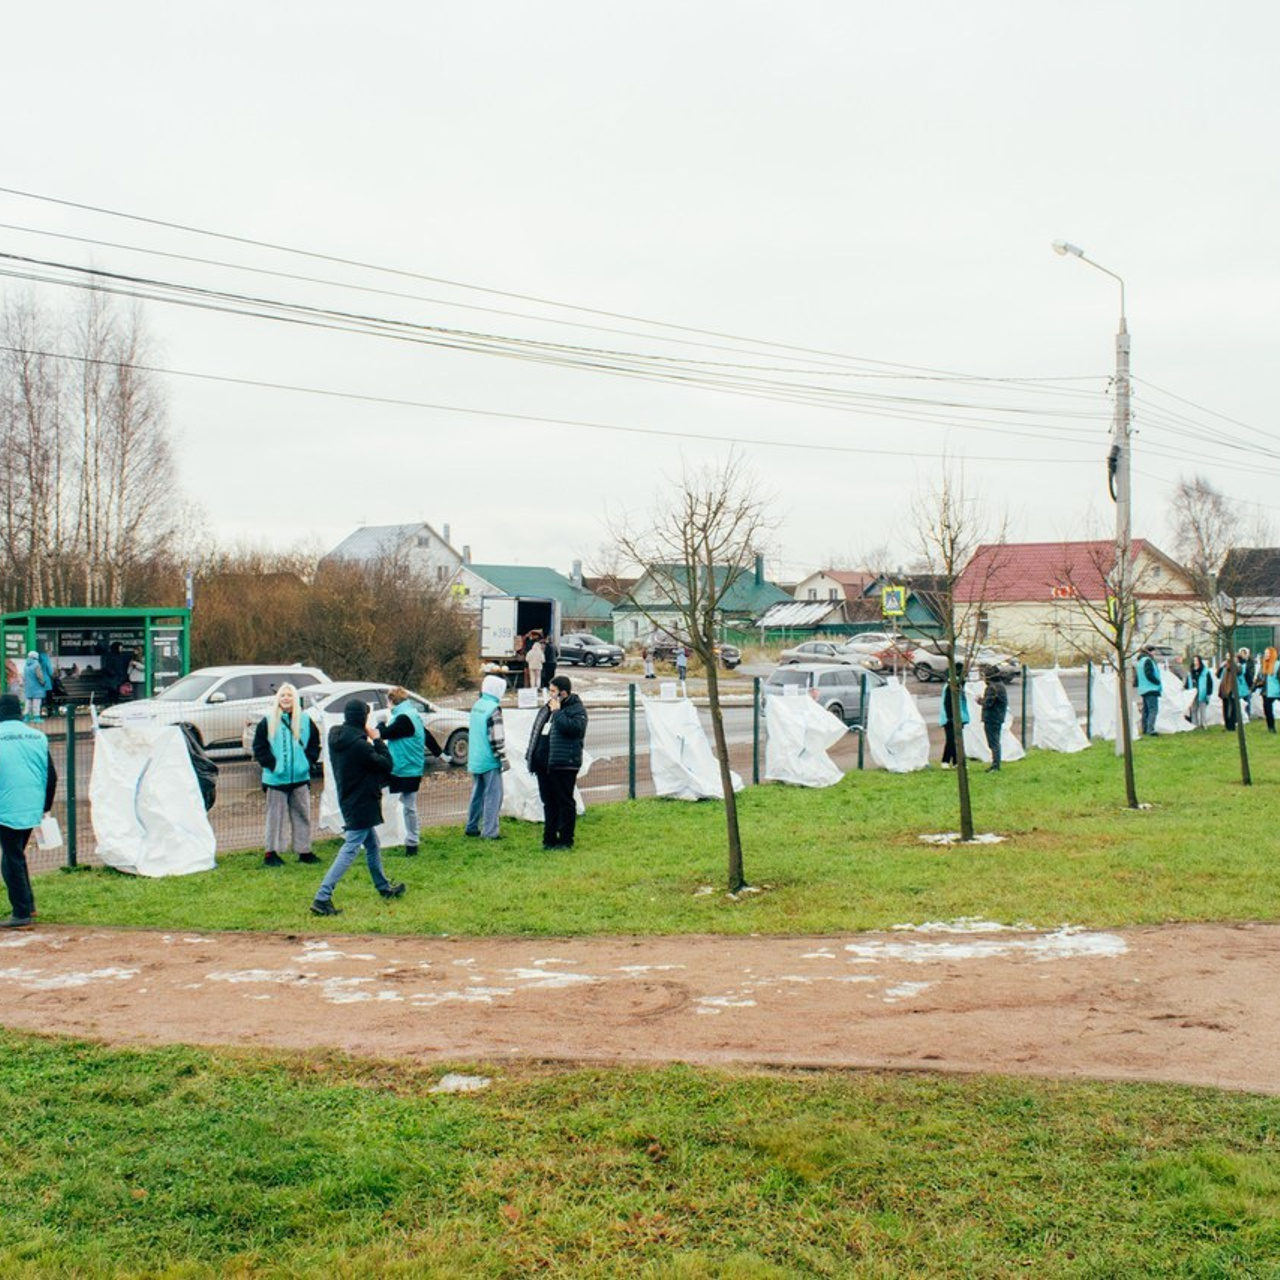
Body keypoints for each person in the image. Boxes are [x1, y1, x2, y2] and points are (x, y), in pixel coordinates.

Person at [310, 700, 404, 916]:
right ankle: (322, 897)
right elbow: (386, 763)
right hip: (362, 801)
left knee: (372, 843)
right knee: (351, 846)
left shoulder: (337, 736)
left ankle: (383, 887)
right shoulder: (359, 745)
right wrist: (378, 740)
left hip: (350, 797)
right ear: (363, 718)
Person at [0, 693, 57, 928]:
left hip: (6, 806)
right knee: (16, 855)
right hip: (32, 805)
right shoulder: (38, 736)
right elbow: (51, 775)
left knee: (11, 860)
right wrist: (45, 807)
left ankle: (21, 911)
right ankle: (28, 906)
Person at [252, 683, 320, 868]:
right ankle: (271, 852)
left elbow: (314, 744)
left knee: (303, 814)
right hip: (276, 779)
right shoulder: (268, 721)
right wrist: (272, 765)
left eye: (289, 695)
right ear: (278, 699)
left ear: (295, 698)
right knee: (275, 817)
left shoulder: (305, 720)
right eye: (283, 695)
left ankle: (304, 850)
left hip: (300, 777)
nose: (286, 699)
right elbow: (259, 747)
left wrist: (307, 762)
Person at [379, 687, 426, 855]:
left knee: (399, 804)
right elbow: (426, 734)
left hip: (402, 768)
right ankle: (411, 841)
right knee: (409, 806)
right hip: (412, 767)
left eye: (387, 701)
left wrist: (380, 722)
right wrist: (440, 753)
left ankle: (396, 838)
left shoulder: (402, 718)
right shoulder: (412, 714)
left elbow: (384, 734)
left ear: (392, 701)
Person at [543, 675, 588, 850]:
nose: (550, 695)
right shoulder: (556, 709)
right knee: (552, 801)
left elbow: (575, 729)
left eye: (553, 691)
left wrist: (557, 712)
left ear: (563, 693)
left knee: (565, 801)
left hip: (567, 761)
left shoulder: (576, 709)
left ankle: (566, 839)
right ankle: (551, 837)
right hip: (554, 761)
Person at [465, 674, 508, 839]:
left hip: (475, 758)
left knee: (477, 794)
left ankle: (472, 826)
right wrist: (502, 756)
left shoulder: (478, 705)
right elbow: (496, 737)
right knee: (493, 795)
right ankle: (490, 831)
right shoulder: (493, 709)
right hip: (489, 759)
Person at [978, 665, 1008, 772]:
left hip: (991, 718)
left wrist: (979, 700)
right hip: (999, 717)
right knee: (996, 741)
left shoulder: (991, 688)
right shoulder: (1001, 686)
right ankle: (995, 763)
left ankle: (995, 765)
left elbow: (987, 703)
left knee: (993, 742)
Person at [938, 669, 969, 768]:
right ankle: (946, 761)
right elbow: (948, 703)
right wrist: (951, 717)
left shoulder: (952, 684)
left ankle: (955, 762)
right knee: (952, 740)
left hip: (954, 717)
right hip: (952, 718)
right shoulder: (954, 685)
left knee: (954, 740)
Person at [1218, 652, 1250, 732]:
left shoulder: (1238, 666)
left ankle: (1232, 726)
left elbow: (1239, 672)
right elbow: (1218, 675)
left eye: (1230, 656)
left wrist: (1232, 664)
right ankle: (1227, 725)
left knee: (1232, 708)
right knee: (1225, 707)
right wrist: (1221, 667)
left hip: (1233, 690)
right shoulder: (1224, 667)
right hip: (1224, 689)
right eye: (1227, 656)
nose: (1228, 658)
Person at [1136, 645, 1161, 736]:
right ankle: (1150, 729)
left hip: (1143, 688)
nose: (1155, 654)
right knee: (1153, 709)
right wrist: (1157, 681)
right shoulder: (1148, 660)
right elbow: (1149, 673)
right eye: (1154, 651)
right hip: (1151, 687)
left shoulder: (1140, 661)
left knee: (1146, 710)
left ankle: (1145, 728)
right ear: (1150, 651)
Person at [1185, 655, 1212, 730]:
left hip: (1202, 692)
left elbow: (1210, 683)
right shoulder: (1190, 672)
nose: (1195, 662)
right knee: (1193, 709)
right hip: (1193, 693)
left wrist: (1209, 693)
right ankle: (1194, 724)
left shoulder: (1205, 671)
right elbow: (1187, 682)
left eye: (1196, 660)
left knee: (1202, 709)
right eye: (1194, 660)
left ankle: (1203, 724)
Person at [22, 651, 50, 721]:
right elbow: (39, 676)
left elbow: (24, 677)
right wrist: (43, 682)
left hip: (28, 687)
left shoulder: (26, 665)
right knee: (36, 703)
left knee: (28, 702)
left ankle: (26, 716)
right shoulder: (36, 665)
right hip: (37, 687)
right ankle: (36, 717)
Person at [1258, 647, 1280, 734]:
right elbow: (1260, 678)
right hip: (1266, 692)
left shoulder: (1278, 665)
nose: (1266, 655)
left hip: (1277, 691)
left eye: (1268, 653)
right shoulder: (1263, 665)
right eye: (1265, 653)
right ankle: (1271, 728)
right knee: (1267, 711)